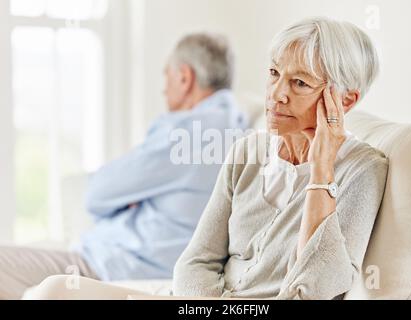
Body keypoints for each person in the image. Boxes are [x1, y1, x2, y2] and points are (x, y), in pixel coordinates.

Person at [23, 17, 388, 300]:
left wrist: (321, 171)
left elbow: (317, 288)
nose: (276, 95)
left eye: (300, 84)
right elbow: (195, 261)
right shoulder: (247, 152)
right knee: (57, 289)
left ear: (344, 100)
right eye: (274, 74)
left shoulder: (363, 170)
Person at [0, 32, 248, 300]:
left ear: (184, 78)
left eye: (166, 75)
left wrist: (133, 199)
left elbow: (96, 194)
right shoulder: (240, 127)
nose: (163, 88)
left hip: (115, 267)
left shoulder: (186, 132)